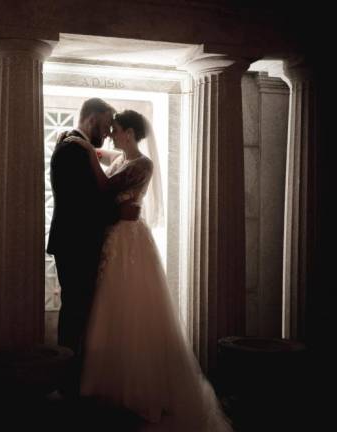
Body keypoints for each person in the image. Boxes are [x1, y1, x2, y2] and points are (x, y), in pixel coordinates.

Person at [75, 110, 233, 431]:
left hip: (131, 241)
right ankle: (113, 386)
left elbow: (106, 185)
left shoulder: (142, 165)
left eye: (116, 130)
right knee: (113, 309)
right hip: (116, 237)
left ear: (130, 133)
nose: (111, 135)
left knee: (135, 308)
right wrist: (84, 143)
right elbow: (103, 156)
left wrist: (86, 152)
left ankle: (141, 390)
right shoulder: (121, 156)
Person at [46, 98, 140, 397]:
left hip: (76, 242)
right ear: (93, 116)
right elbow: (81, 204)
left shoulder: (77, 145)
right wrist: (119, 214)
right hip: (76, 243)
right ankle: (69, 384)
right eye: (107, 120)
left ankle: (73, 379)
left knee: (78, 311)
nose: (109, 128)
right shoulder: (74, 148)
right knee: (76, 312)